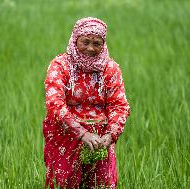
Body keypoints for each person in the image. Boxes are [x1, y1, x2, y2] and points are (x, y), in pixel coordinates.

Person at [43, 17, 130, 189]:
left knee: (102, 185)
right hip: (65, 135)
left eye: (97, 43)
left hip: (99, 139)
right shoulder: (60, 66)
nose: (90, 48)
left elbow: (119, 105)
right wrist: (82, 133)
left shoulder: (110, 69)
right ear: (75, 40)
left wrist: (110, 136)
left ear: (103, 44)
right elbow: (55, 103)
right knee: (64, 183)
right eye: (85, 42)